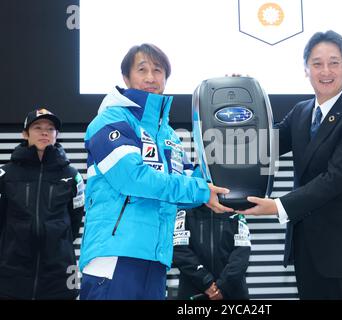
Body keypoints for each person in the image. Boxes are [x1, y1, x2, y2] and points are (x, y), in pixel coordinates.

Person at [79, 43, 232, 300]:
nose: (151, 77)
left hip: (157, 257)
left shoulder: (168, 135)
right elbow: (133, 179)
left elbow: (186, 183)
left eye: (158, 70)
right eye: (142, 69)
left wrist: (229, 103)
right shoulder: (110, 121)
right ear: (126, 78)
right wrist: (200, 189)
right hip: (115, 255)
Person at [238, 30, 342, 299]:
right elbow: (261, 146)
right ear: (306, 69)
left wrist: (278, 206)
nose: (325, 71)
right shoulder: (301, 112)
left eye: (334, 62)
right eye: (317, 63)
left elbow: (335, 179)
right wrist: (237, 99)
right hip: (309, 252)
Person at [0, 108, 85, 300]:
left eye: (50, 128)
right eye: (37, 127)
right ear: (25, 134)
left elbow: (75, 220)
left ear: (57, 135)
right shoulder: (6, 174)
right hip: (12, 270)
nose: (44, 132)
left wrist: (56, 240)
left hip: (59, 271)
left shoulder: (72, 175)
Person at [172, 205, 251, 300]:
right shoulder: (184, 211)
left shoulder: (236, 212)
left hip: (232, 291)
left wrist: (223, 286)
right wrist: (206, 282)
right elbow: (179, 251)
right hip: (193, 290)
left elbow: (242, 253)